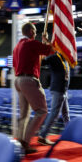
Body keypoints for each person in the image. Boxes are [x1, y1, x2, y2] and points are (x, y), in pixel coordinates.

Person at [13, 23, 53, 154]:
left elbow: (15, 64)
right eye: (35, 31)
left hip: (18, 80)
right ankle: (25, 141)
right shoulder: (31, 43)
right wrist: (46, 41)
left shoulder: (17, 46)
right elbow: (51, 50)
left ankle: (20, 139)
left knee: (24, 114)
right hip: (29, 79)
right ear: (30, 31)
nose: (35, 34)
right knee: (42, 111)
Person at [38, 52, 70, 145]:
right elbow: (42, 62)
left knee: (65, 113)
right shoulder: (55, 57)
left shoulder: (65, 59)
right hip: (58, 89)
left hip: (63, 90)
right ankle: (42, 136)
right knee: (55, 113)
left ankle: (69, 132)